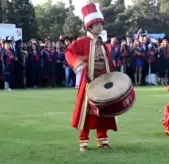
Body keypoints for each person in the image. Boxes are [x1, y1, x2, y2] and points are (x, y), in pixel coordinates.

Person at [65, 2, 117, 152]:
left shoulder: (103, 43)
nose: (100, 27)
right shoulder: (82, 42)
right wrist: (77, 62)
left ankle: (102, 140)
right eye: (97, 24)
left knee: (104, 111)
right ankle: (83, 141)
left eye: (101, 24)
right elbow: (69, 52)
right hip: (89, 83)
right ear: (89, 26)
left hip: (104, 83)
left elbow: (109, 63)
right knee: (86, 112)